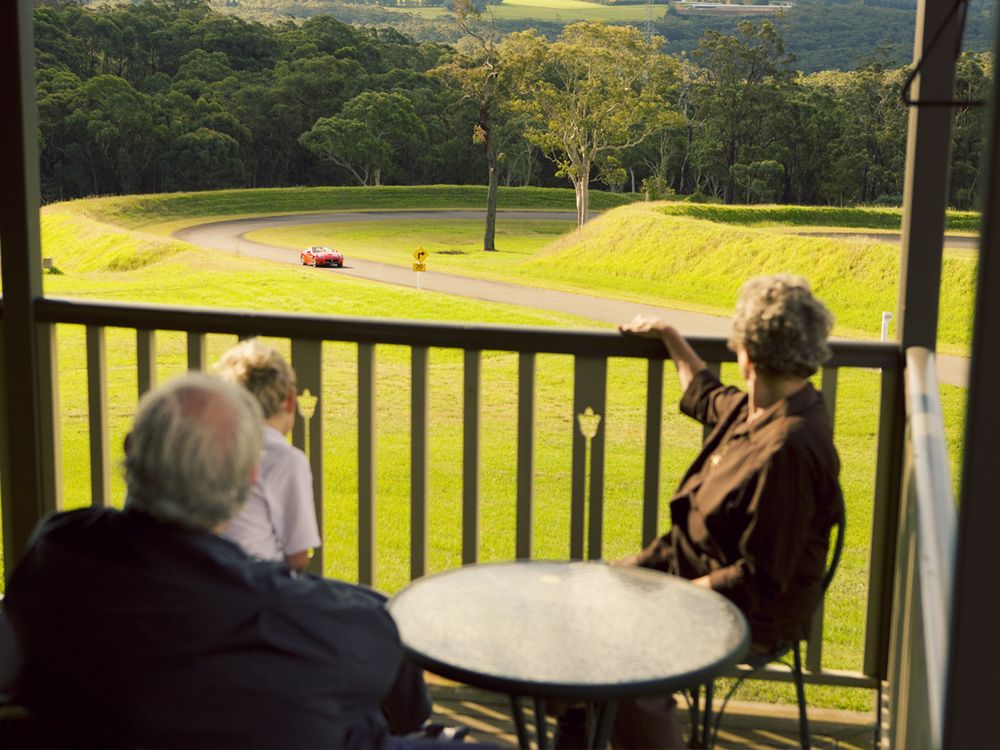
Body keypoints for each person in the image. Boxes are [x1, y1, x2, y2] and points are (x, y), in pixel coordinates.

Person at [1, 373, 436, 749]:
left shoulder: (55, 548)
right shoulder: (295, 617)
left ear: (132, 448)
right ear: (249, 478)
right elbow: (383, 659)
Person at [576, 274, 844, 749]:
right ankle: (578, 731)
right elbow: (705, 394)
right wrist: (669, 335)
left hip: (744, 610)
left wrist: (669, 598)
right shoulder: (758, 408)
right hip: (682, 568)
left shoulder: (790, 447)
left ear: (747, 353)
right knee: (582, 604)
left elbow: (759, 579)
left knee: (622, 657)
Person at [214, 338, 321, 572]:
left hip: (210, 579)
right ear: (291, 402)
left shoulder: (210, 449)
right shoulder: (287, 461)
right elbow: (298, 556)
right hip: (258, 585)